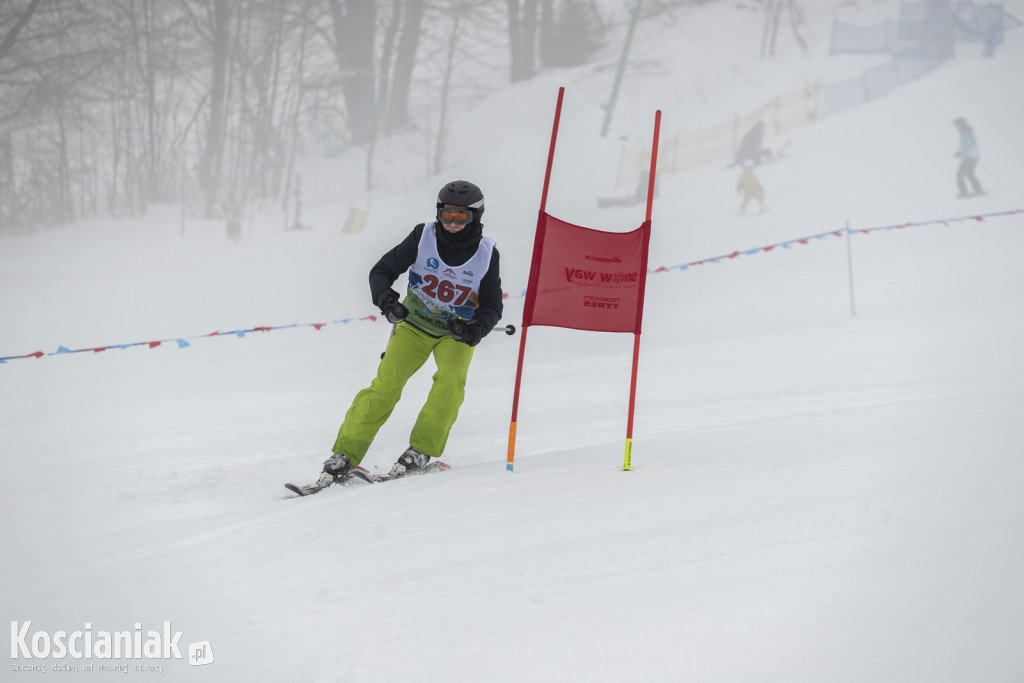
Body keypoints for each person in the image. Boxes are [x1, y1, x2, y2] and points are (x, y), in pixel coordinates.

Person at [316, 180, 503, 488]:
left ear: (476, 217)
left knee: (450, 383)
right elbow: (381, 271)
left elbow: (493, 306)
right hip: (414, 325)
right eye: (446, 215)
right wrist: (387, 301)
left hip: (455, 334)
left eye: (461, 217)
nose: (452, 224)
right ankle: (344, 455)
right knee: (385, 386)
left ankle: (420, 451)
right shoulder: (423, 236)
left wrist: (475, 331)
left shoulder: (486, 254)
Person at [953, 117, 983, 197]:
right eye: (956, 125)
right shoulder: (964, 132)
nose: (956, 127)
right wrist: (960, 152)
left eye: (958, 125)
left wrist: (961, 152)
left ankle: (965, 192)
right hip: (969, 157)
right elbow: (965, 145)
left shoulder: (967, 132)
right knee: (969, 174)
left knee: (960, 174)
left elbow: (970, 144)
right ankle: (977, 189)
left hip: (970, 157)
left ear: (962, 124)